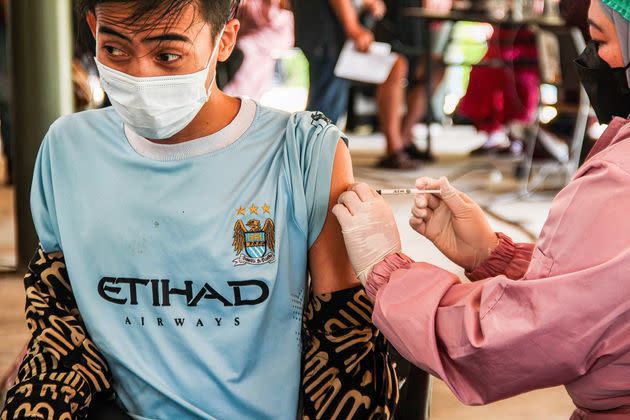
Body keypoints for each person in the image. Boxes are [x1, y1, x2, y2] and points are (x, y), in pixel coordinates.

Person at [0, 0, 398, 418]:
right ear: (92, 29)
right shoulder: (69, 150)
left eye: (167, 55)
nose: (139, 74)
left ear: (224, 40)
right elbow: (61, 325)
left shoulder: (303, 153)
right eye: (114, 50)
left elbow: (345, 353)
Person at [332, 0, 630, 418]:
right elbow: (603, 295)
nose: (587, 58)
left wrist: (388, 271)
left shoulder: (619, 180)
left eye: (599, 40)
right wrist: (494, 256)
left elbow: (510, 336)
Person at [223, 0, 294, 100]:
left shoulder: (284, 17)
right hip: (238, 68)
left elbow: (286, 41)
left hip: (258, 73)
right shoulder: (248, 5)